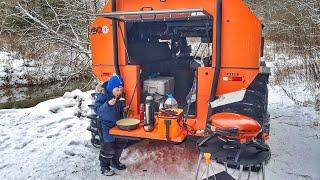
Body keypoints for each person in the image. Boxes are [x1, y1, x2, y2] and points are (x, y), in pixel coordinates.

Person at [94, 75, 128, 176]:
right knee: (108, 146)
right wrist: (108, 105)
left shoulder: (120, 96)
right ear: (111, 88)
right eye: (117, 89)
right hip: (105, 125)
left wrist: (124, 109)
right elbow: (97, 110)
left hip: (117, 124)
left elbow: (119, 108)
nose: (119, 92)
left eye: (121, 89)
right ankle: (104, 167)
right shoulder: (103, 96)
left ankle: (115, 161)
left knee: (121, 142)